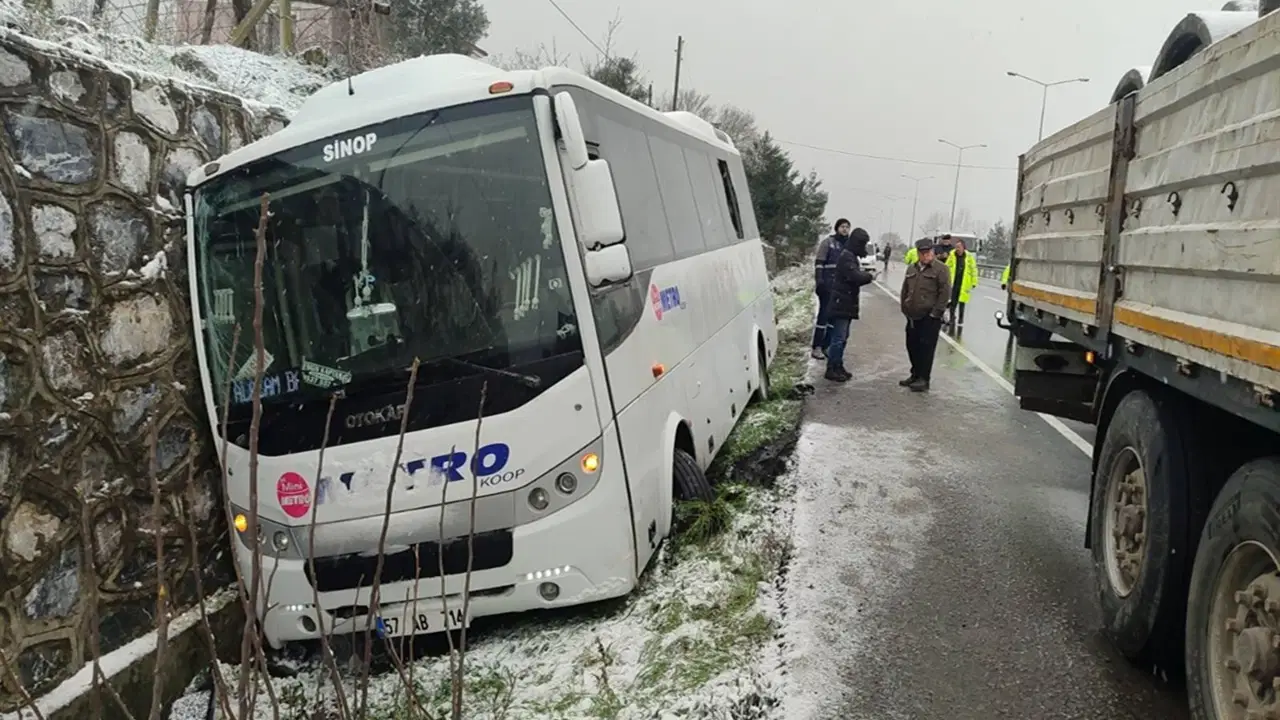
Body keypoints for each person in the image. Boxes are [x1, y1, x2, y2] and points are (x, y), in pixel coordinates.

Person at [899, 238, 952, 392]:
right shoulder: (912, 268)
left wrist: (936, 313)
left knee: (926, 349)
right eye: (922, 253)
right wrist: (905, 307)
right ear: (918, 253)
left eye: (928, 252)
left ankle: (924, 378)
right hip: (912, 316)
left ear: (932, 252)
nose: (925, 256)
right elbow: (905, 289)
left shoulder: (941, 269)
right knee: (912, 346)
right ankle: (915, 374)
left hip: (929, 317)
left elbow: (944, 293)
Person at [824, 227, 875, 382]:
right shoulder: (847, 257)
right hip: (842, 303)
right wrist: (869, 276)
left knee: (843, 337)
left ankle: (838, 366)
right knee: (838, 338)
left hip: (845, 302)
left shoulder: (850, 255)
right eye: (862, 244)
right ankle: (832, 368)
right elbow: (854, 276)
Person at [811, 219, 852, 359]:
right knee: (823, 316)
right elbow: (819, 263)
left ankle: (826, 346)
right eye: (842, 226)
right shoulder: (828, 243)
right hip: (827, 285)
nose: (845, 229)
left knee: (834, 319)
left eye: (847, 227)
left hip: (841, 288)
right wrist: (819, 281)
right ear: (837, 228)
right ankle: (816, 346)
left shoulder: (849, 245)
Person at [945, 237, 979, 327]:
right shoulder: (952, 255)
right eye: (956, 247)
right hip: (954, 281)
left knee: (962, 302)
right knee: (953, 301)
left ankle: (961, 318)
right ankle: (952, 318)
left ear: (963, 247)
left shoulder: (969, 257)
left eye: (959, 247)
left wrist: (974, 282)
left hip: (964, 282)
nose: (957, 249)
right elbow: (946, 267)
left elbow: (973, 269)